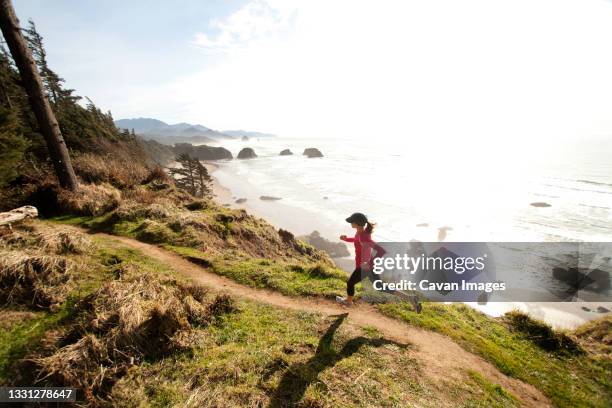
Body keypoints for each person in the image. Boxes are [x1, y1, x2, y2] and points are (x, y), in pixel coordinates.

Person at [336, 212, 422, 313]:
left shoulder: (364, 237)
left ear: (357, 223)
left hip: (364, 267)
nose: (350, 223)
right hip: (368, 267)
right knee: (381, 287)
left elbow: (381, 251)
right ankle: (411, 298)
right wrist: (346, 239)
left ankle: (348, 302)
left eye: (352, 221)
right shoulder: (360, 233)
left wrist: (369, 263)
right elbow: (356, 240)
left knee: (350, 283)